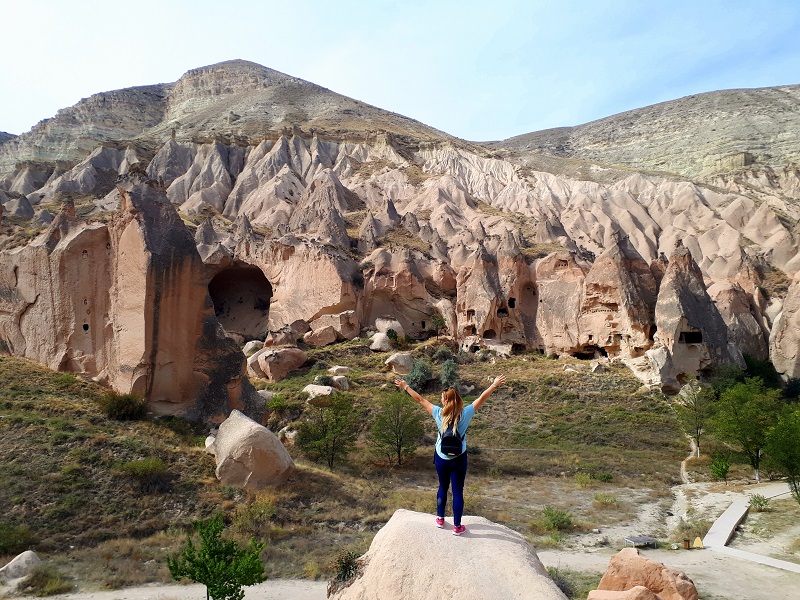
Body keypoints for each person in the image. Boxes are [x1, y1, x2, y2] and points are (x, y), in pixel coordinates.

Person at [394, 373, 506, 535]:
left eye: (442, 398)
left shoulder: (438, 413)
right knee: (458, 491)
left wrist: (405, 387)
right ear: (458, 399)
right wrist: (494, 385)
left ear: (445, 400)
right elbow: (481, 398)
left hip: (441, 457)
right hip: (459, 458)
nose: (440, 400)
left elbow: (420, 400)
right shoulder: (466, 413)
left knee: (443, 487)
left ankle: (440, 519)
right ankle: (457, 526)